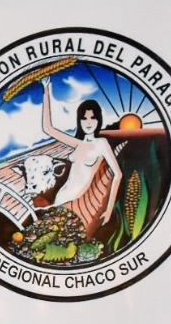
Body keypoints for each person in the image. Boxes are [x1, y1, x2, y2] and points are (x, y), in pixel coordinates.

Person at [40, 79, 122, 238]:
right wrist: (46, 89)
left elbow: (118, 174)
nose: (89, 122)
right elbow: (48, 128)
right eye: (84, 118)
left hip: (76, 198)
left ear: (98, 120)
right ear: (79, 120)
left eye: (93, 118)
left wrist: (109, 209)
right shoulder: (78, 143)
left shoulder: (101, 143)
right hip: (62, 195)